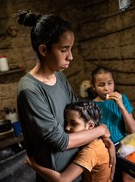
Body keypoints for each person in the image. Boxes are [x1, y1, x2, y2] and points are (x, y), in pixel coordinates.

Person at [16, 11, 115, 182]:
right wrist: (101, 130)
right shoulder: (30, 90)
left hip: (76, 170)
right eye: (64, 50)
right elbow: (61, 141)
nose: (71, 56)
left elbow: (82, 114)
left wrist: (105, 138)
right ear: (44, 50)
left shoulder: (59, 77)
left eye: (71, 49)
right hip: (56, 177)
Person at [27, 100, 111, 182]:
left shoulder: (90, 151)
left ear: (91, 125)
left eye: (73, 124)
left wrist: (33, 164)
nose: (67, 127)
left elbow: (62, 179)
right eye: (66, 122)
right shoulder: (97, 141)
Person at [91, 66, 135, 145]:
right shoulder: (91, 106)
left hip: (123, 143)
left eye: (110, 83)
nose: (106, 88)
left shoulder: (122, 99)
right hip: (102, 147)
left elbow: (132, 130)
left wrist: (121, 106)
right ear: (94, 87)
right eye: (101, 85)